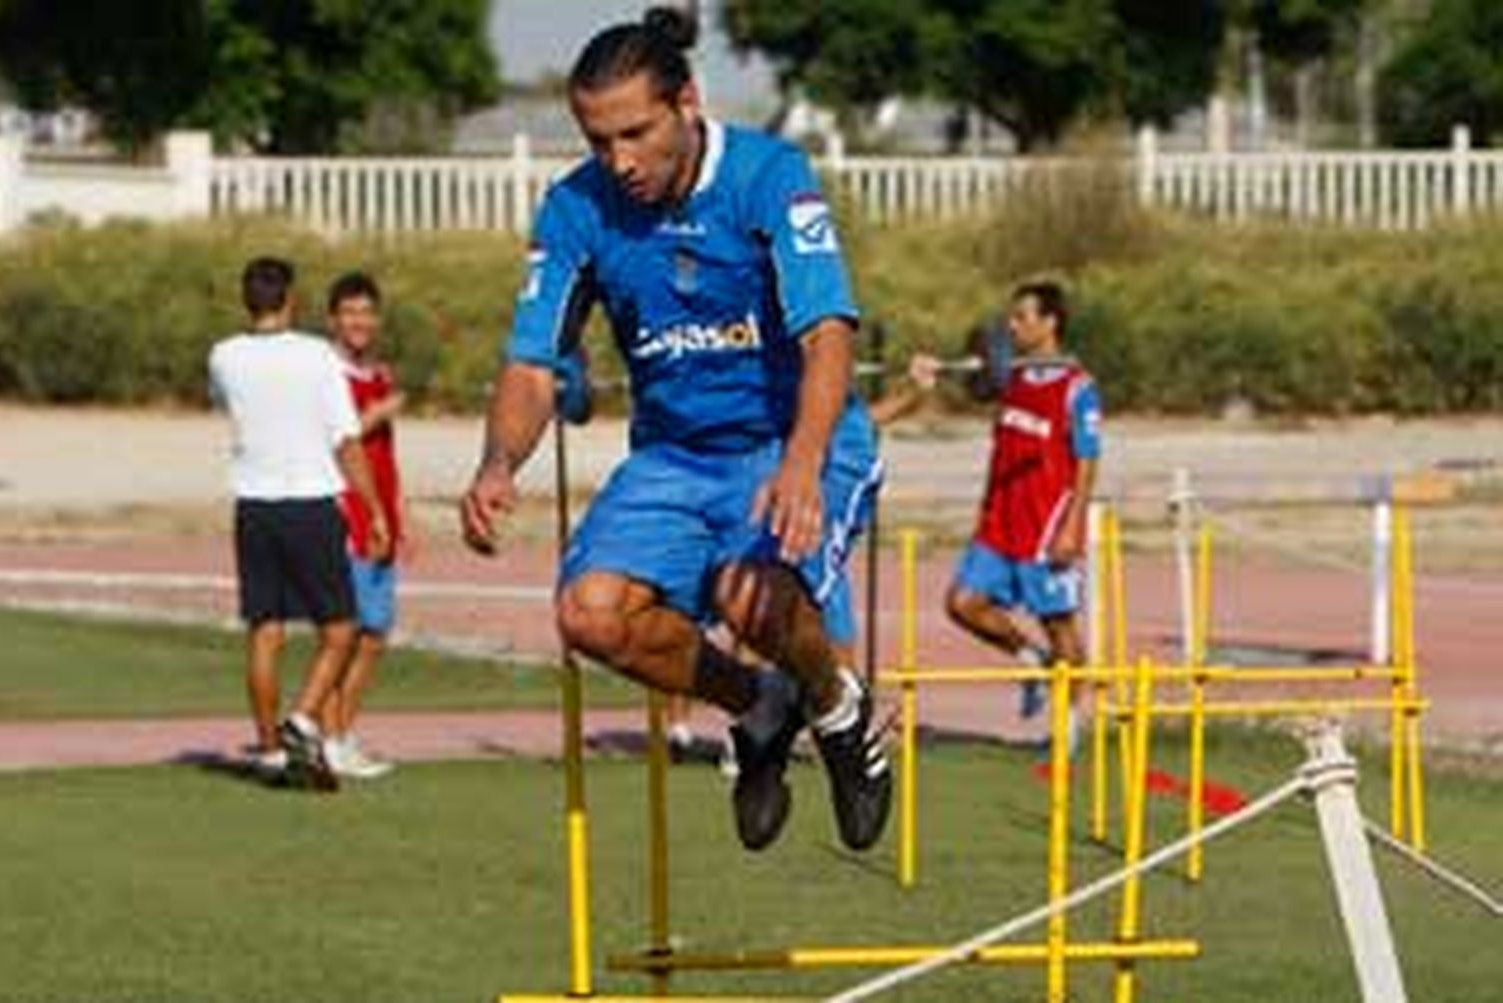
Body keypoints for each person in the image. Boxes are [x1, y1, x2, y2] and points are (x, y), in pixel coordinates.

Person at [459, 7, 891, 853]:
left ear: (687, 101)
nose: (619, 161)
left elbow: (827, 334)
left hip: (795, 436)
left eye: (635, 133)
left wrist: (801, 465)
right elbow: (531, 361)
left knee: (748, 595)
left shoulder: (769, 176)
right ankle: (759, 705)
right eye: (597, 141)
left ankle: (839, 709)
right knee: (589, 615)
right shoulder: (576, 209)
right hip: (673, 458)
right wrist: (496, 461)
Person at [208, 257, 390, 791]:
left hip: (254, 506)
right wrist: (374, 508)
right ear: (290, 300)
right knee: (341, 627)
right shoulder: (316, 356)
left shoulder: (224, 356)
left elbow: (226, 403)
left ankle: (267, 750)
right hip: (309, 502)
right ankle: (305, 718)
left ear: (247, 301)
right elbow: (346, 438)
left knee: (265, 630)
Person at [944, 281, 1101, 735]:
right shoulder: (1010, 377)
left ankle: (1069, 728)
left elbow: (1088, 460)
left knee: (1060, 626)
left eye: (1022, 318)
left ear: (1049, 323)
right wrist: (938, 372)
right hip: (998, 522)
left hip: (1046, 525)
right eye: (1011, 319)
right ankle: (1033, 662)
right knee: (963, 603)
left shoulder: (1078, 387)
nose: (1012, 327)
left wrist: (1071, 528)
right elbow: (976, 380)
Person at [320, 271, 405, 781]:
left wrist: (402, 513)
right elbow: (337, 439)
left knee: (374, 634)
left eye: (366, 312)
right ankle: (331, 737)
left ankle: (342, 733)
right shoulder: (327, 374)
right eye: (350, 313)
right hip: (345, 513)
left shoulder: (378, 372)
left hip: (381, 515)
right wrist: (375, 413)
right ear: (333, 319)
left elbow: (385, 454)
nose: (359, 322)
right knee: (345, 634)